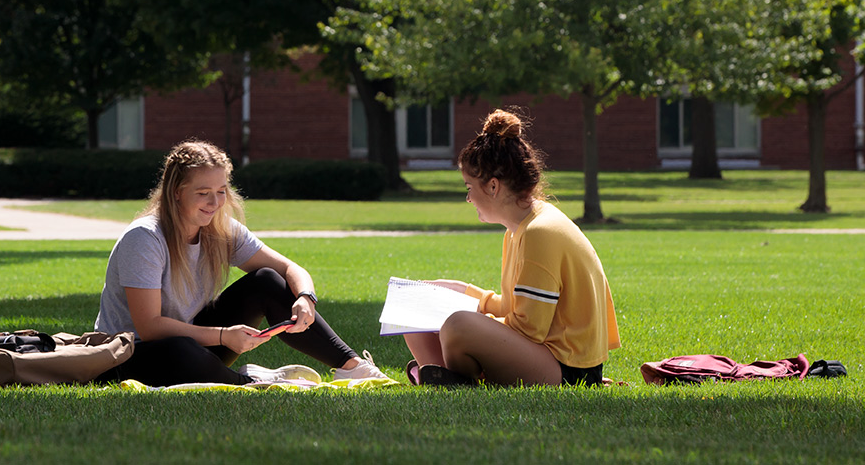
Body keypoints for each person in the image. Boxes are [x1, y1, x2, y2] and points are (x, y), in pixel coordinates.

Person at [92, 140, 388, 387]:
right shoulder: (145, 237)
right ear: (177, 192)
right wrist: (223, 336)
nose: (215, 202)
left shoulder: (220, 228)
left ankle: (352, 366)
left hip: (191, 344)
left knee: (266, 280)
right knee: (180, 350)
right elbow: (150, 327)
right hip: (130, 355)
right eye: (203, 193)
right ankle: (247, 383)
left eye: (221, 191)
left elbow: (290, 269)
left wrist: (306, 298)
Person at [404, 107, 621, 386]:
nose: (468, 199)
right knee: (416, 312)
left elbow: (529, 330)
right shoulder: (519, 228)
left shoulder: (539, 232)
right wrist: (464, 293)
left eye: (469, 188)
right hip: (547, 357)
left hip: (568, 371)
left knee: (458, 326)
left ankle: (449, 378)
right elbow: (515, 307)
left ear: (493, 187)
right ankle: (443, 376)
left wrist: (468, 317)